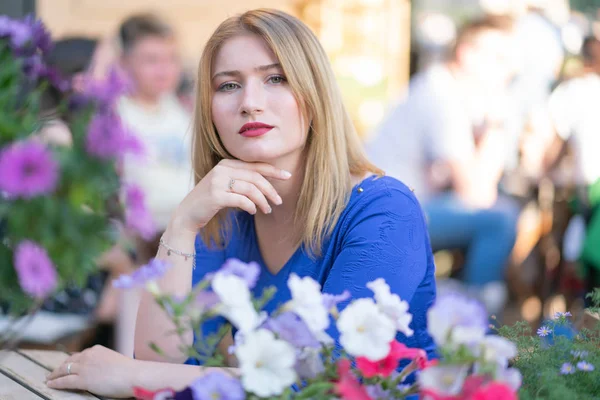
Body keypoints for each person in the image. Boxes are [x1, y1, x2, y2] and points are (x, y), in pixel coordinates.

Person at [45, 9, 436, 397]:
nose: (250, 102)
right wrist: (182, 225)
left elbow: (324, 384)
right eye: (228, 85)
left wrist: (132, 375)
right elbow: (164, 359)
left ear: (314, 92)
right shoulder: (226, 213)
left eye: (275, 78)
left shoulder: (384, 211)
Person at [366, 15, 519, 315]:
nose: (509, 71)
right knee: (500, 218)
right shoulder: (442, 95)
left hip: (398, 206)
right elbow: (477, 195)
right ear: (466, 54)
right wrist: (497, 120)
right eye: (500, 59)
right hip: (387, 217)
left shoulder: (442, 87)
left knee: (500, 207)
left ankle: (462, 314)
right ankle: (472, 325)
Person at [117, 13, 194, 264]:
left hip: (193, 233)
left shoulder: (183, 109)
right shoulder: (114, 115)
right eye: (151, 60)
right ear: (125, 62)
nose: (164, 70)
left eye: (171, 59)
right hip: (144, 243)